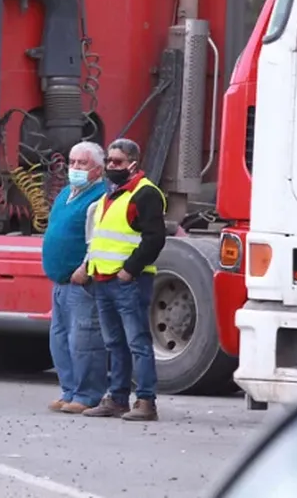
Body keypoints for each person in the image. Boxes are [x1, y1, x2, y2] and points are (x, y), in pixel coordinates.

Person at [76, 138, 167, 422]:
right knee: (114, 343)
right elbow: (99, 239)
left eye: (117, 162)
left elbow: (155, 239)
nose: (111, 167)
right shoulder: (110, 195)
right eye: (109, 162)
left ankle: (145, 400)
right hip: (104, 280)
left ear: (133, 164)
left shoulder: (145, 193)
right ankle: (117, 398)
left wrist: (130, 270)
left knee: (137, 342)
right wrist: (88, 267)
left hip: (127, 281)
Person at [42, 141, 109, 414]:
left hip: (81, 281)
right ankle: (69, 390)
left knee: (84, 341)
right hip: (60, 281)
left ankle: (87, 394)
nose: (75, 168)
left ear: (97, 169)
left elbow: (99, 238)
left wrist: (85, 268)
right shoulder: (67, 193)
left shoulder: (100, 196)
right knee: (59, 340)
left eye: (82, 163)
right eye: (72, 162)